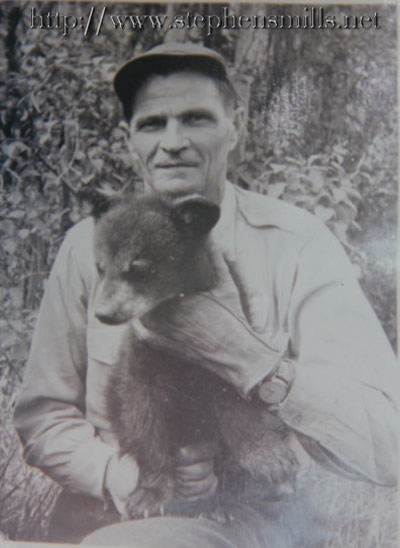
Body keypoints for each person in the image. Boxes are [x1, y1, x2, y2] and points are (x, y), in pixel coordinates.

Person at [14, 43, 399, 547]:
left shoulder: (296, 245)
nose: (172, 142)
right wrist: (119, 476)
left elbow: (388, 442)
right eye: (152, 123)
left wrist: (256, 365)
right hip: (114, 508)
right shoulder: (90, 245)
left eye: (195, 119)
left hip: (243, 520)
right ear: (129, 138)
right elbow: (43, 415)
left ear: (234, 127)